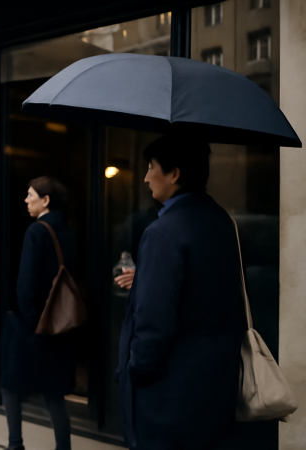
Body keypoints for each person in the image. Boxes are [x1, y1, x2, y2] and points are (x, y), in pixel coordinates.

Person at [116, 135, 246, 450]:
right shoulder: (221, 220)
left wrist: (137, 370)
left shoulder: (163, 232)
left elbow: (154, 321)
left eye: (151, 168)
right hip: (215, 383)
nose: (146, 177)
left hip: (169, 395)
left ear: (174, 174)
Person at [0, 176, 76, 450]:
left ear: (45, 200)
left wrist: (27, 321)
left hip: (33, 326)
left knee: (9, 385)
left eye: (30, 195)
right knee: (53, 393)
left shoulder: (37, 231)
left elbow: (26, 284)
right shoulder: (66, 231)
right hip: (60, 323)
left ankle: (15, 445)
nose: (26, 200)